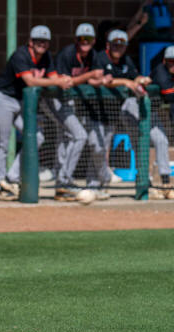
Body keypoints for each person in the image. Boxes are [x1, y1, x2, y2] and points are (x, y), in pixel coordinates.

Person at [0, 26, 72, 201]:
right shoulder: (21, 55)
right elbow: (30, 81)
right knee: (2, 142)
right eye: (38, 41)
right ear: (30, 42)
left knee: (37, 137)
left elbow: (54, 77)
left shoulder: (46, 57)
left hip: (20, 102)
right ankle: (1, 184)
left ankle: (11, 177)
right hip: (2, 99)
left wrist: (65, 79)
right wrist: (57, 81)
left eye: (45, 41)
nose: (42, 44)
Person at [92, 29, 155, 199]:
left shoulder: (127, 60)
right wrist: (126, 82)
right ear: (108, 45)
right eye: (115, 45)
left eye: (121, 45)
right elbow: (104, 81)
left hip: (119, 107)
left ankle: (143, 176)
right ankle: (100, 181)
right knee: (98, 146)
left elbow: (134, 77)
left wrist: (141, 80)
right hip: (98, 109)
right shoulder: (100, 58)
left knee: (138, 135)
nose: (118, 48)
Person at [52, 23, 109, 201]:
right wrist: (90, 75)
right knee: (79, 136)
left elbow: (94, 80)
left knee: (69, 137)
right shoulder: (66, 54)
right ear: (76, 40)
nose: (85, 42)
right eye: (82, 39)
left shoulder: (94, 56)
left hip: (72, 102)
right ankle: (63, 181)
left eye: (88, 39)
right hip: (54, 99)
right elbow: (65, 83)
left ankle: (62, 184)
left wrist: (103, 80)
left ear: (94, 41)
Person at [148, 45, 174, 199]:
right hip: (134, 109)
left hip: (149, 112)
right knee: (141, 147)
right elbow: (169, 94)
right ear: (165, 61)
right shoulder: (160, 70)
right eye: (171, 61)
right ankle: (146, 185)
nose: (173, 64)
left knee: (161, 141)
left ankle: (165, 184)